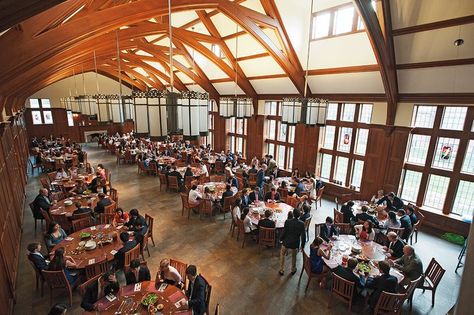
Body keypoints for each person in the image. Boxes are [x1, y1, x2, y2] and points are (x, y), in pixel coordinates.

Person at [279, 208, 306, 276]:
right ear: (299, 215)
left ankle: (281, 270)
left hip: (286, 242)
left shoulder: (287, 221)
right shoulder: (302, 224)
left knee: (282, 254)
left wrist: (281, 239)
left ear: (293, 214)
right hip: (295, 243)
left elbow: (284, 232)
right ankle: (293, 269)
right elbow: (303, 236)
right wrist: (302, 246)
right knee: (294, 257)